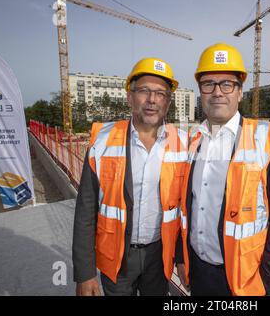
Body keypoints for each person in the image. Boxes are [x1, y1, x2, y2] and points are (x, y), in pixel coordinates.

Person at [175, 43, 270, 296]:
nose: (217, 92)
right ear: (201, 91)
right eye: (208, 84)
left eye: (227, 84)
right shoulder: (191, 140)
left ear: (240, 92)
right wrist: (181, 257)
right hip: (198, 270)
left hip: (244, 281)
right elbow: (183, 207)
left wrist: (266, 284)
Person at [72, 57, 188, 296]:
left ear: (168, 102)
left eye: (160, 93)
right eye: (144, 91)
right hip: (116, 258)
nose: (152, 99)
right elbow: (85, 211)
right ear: (129, 96)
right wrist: (85, 273)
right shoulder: (103, 141)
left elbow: (185, 211)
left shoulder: (184, 144)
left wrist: (182, 257)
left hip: (159, 256)